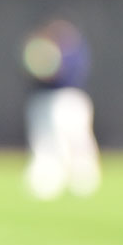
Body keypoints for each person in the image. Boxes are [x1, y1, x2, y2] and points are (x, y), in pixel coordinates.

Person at [21, 18, 101, 200]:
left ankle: (84, 180)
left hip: (69, 98)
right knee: (46, 142)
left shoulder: (73, 53)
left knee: (78, 140)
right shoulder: (43, 47)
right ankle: (46, 180)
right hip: (46, 98)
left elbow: (61, 74)